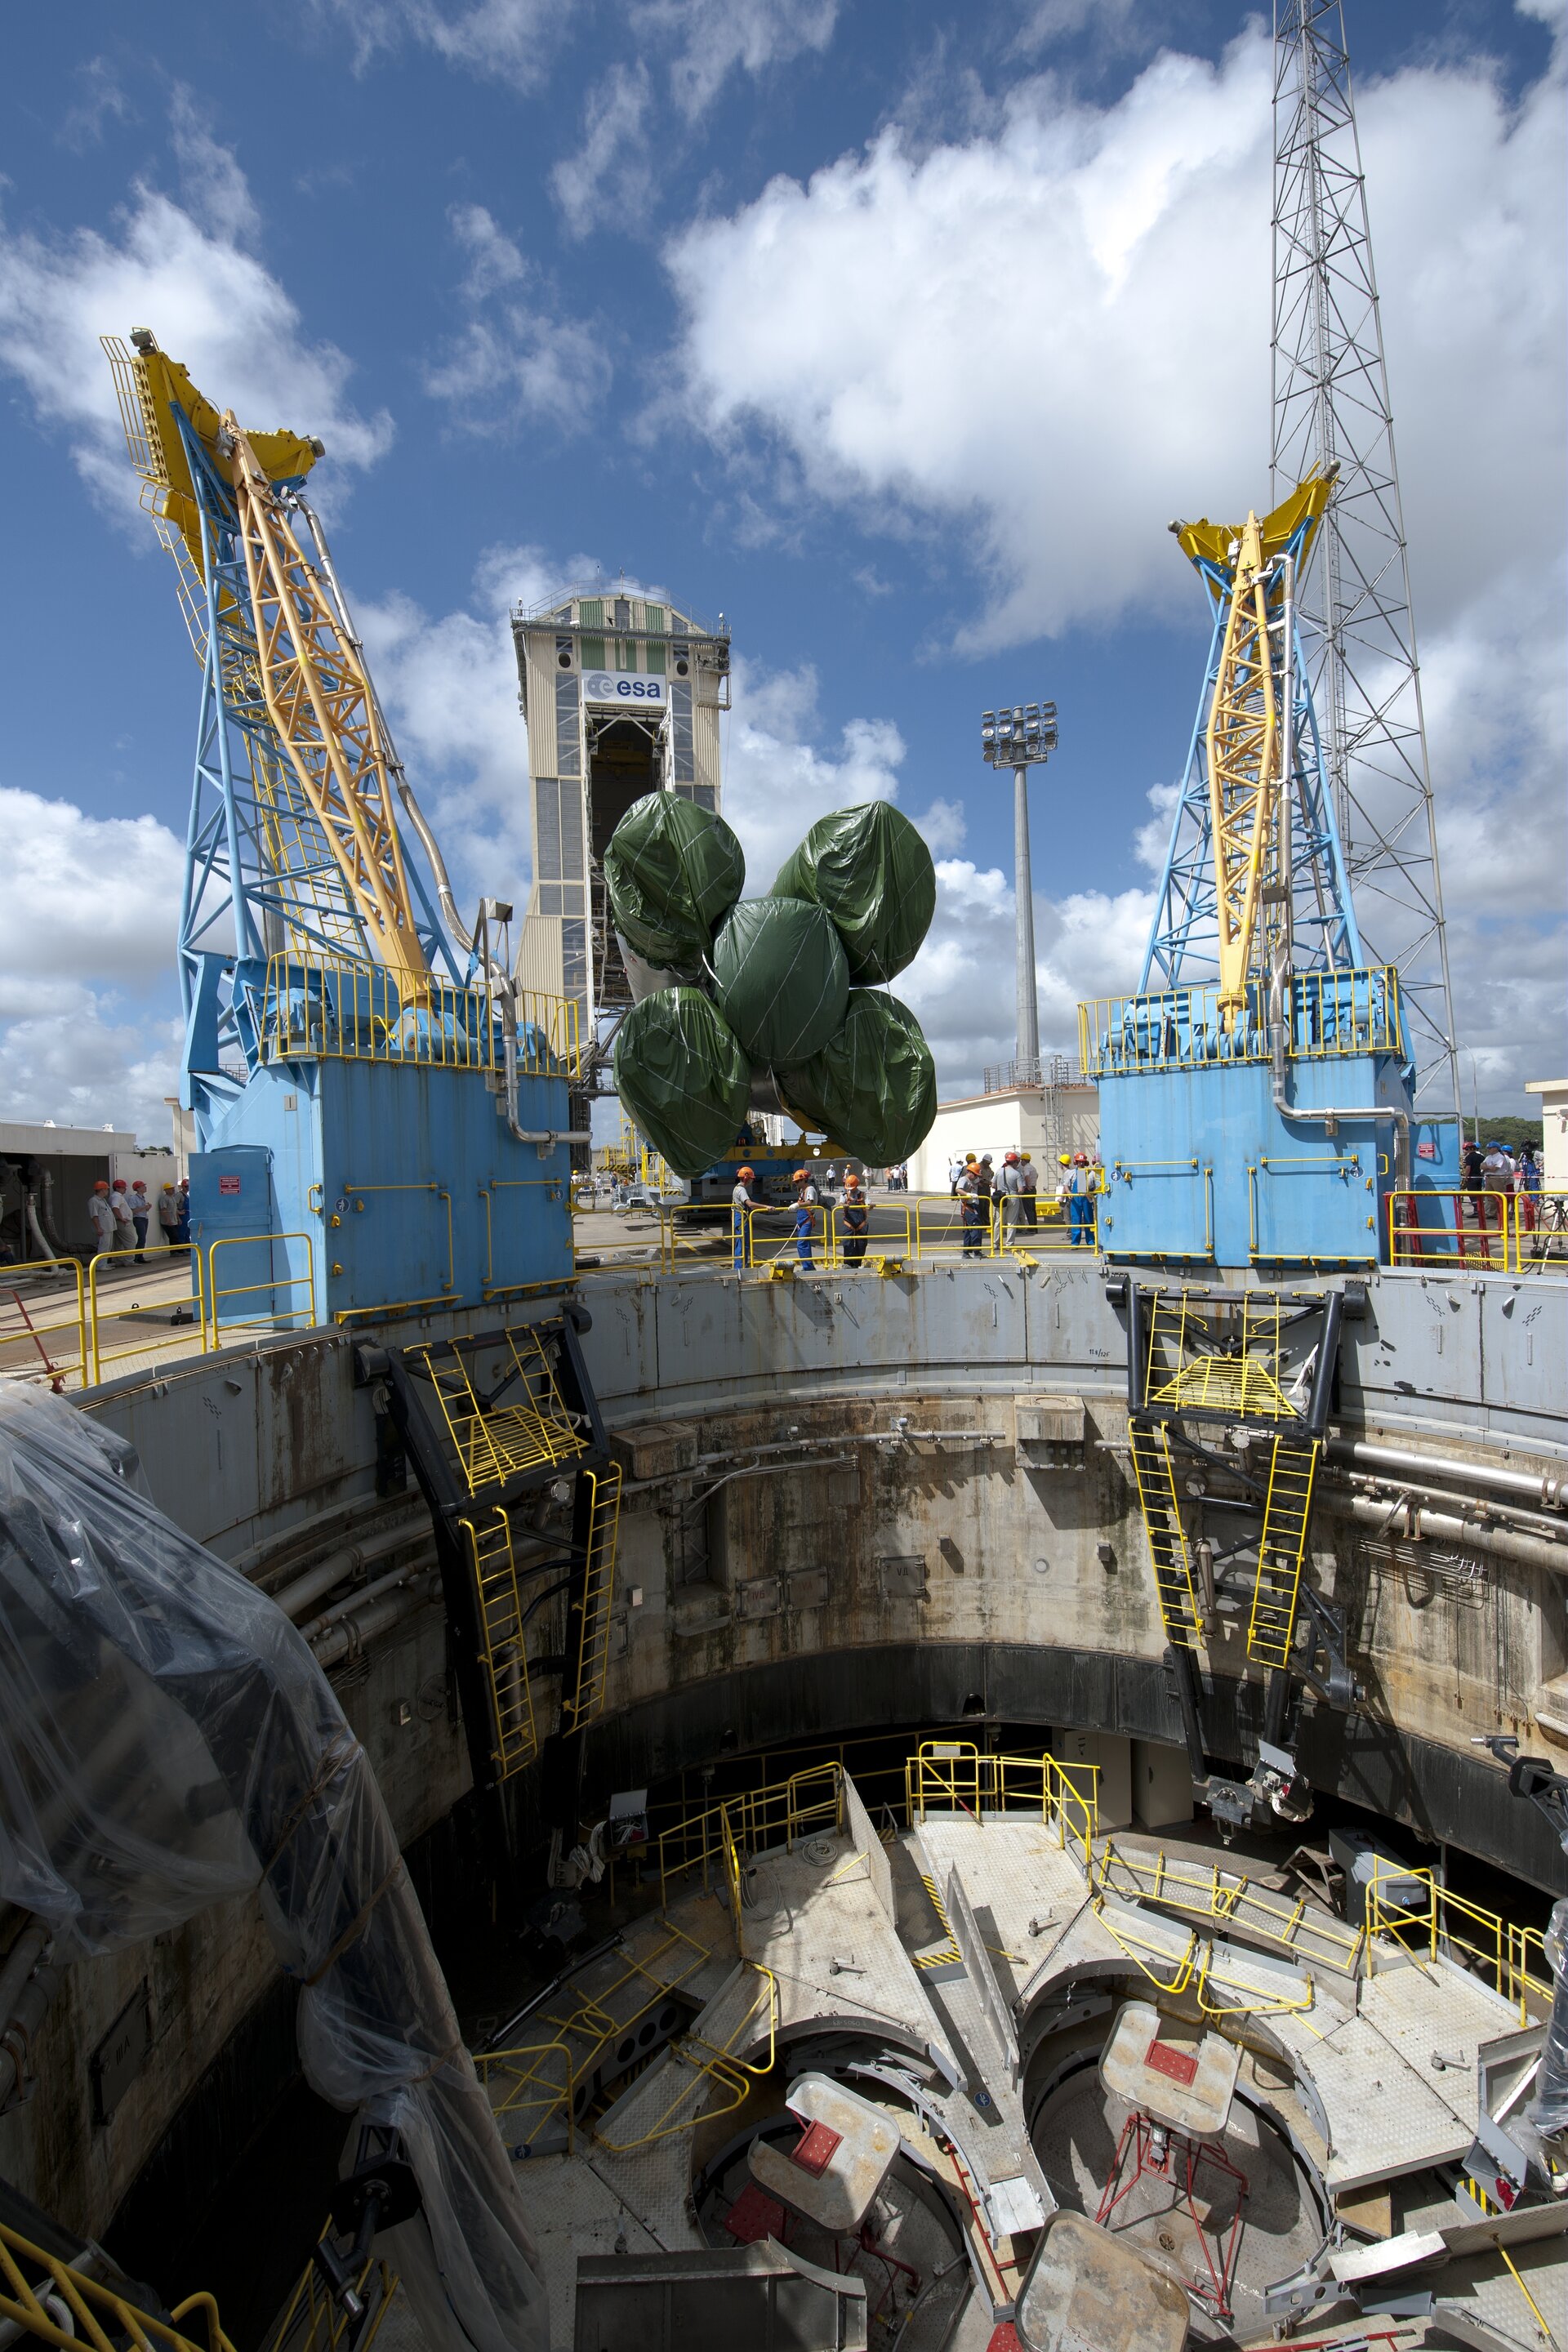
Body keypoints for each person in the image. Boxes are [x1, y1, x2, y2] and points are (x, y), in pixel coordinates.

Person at [1480, 1139, 1516, 1258]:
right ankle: (1493, 1214)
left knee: (1500, 1198)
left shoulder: (1500, 1157)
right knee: (1489, 1198)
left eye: (1490, 1148)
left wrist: (1487, 1167)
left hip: (1498, 1178)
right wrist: (1488, 1167)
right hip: (1489, 1178)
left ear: (1496, 1148)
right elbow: (1482, 1166)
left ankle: (1502, 1216)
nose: (1489, 1149)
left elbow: (1495, 1168)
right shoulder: (1488, 1157)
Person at [1066, 1151, 1097, 1248]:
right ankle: (1075, 1243)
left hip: (1087, 1198)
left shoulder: (1090, 1173)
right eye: (1079, 1162)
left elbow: (1095, 1185)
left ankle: (1091, 1241)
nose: (1081, 1163)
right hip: (1075, 1199)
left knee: (1089, 1219)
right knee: (1076, 1220)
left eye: (1083, 1162)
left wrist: (1092, 1194)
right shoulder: (1070, 1173)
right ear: (1076, 1162)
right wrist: (1069, 1193)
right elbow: (1066, 1185)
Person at [957, 1156, 986, 1257]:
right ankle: (976, 1251)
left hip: (974, 1206)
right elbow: (958, 1189)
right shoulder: (963, 1180)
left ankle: (967, 1251)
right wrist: (967, 1194)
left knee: (970, 1229)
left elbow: (980, 1182)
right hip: (968, 1207)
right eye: (975, 1174)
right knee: (975, 1228)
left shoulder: (974, 1180)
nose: (976, 1177)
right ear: (970, 1172)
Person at [732, 1164, 759, 1270]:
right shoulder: (741, 1190)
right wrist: (767, 1206)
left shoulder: (737, 1188)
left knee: (740, 1243)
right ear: (746, 1178)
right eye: (751, 1179)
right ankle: (740, 1267)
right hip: (742, 1219)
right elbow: (750, 1204)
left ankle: (740, 1266)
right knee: (743, 1244)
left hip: (740, 1218)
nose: (752, 1181)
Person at [840, 1172, 870, 1266]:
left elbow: (868, 1204)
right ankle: (848, 1264)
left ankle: (857, 1263)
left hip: (861, 1224)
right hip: (849, 1223)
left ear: (857, 1185)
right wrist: (844, 1205)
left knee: (861, 1244)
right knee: (847, 1243)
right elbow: (841, 1203)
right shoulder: (844, 1195)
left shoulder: (863, 1195)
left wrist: (869, 1206)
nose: (850, 1190)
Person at [999, 1151, 1027, 1242]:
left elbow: (993, 1185)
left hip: (1000, 1198)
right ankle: (1009, 1243)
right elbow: (1021, 1190)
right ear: (1014, 1162)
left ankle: (996, 1243)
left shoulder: (999, 1172)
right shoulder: (1016, 1174)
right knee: (1011, 1222)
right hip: (1013, 1198)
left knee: (998, 1222)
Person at [791, 1168, 817, 1265]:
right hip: (802, 1220)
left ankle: (808, 1267)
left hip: (807, 1219)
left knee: (801, 1244)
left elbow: (809, 1202)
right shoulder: (803, 1190)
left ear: (803, 1180)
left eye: (798, 1182)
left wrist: (797, 1205)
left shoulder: (809, 1189)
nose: (796, 1184)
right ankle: (807, 1266)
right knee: (804, 1244)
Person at [87, 1178, 117, 1256]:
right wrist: (98, 1228)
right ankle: (101, 1265)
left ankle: (104, 1263)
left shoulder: (103, 1200)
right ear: (102, 1190)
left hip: (108, 1227)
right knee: (103, 1247)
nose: (107, 1191)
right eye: (106, 1189)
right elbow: (94, 1215)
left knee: (108, 1246)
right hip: (103, 1228)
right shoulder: (94, 1201)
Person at [109, 1178, 137, 1256]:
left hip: (120, 1221)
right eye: (123, 1187)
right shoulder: (116, 1197)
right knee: (130, 1241)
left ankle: (119, 1260)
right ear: (117, 1188)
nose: (125, 1189)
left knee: (119, 1243)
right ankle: (129, 1260)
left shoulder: (117, 1196)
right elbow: (115, 1207)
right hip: (122, 1222)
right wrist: (121, 1218)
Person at [128, 1178, 152, 1262]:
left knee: (143, 1238)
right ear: (138, 1188)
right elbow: (132, 1211)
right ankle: (136, 1257)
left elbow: (142, 1210)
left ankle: (140, 1256)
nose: (145, 1187)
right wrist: (144, 1207)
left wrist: (147, 1208)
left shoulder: (143, 1198)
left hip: (144, 1218)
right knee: (142, 1238)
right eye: (143, 1186)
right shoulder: (133, 1198)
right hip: (138, 1219)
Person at [158, 1182, 183, 1254]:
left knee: (175, 1236)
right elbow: (163, 1210)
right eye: (171, 1189)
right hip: (168, 1222)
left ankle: (178, 1251)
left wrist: (178, 1218)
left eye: (173, 1188)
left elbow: (174, 1210)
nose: (173, 1190)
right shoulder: (164, 1199)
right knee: (173, 1237)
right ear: (166, 1190)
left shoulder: (172, 1198)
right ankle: (174, 1252)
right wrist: (168, 1220)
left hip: (174, 1221)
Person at [1018, 1152, 1039, 1229]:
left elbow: (1027, 1176)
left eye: (1021, 1160)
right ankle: (1034, 1226)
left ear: (1024, 1160)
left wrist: (1027, 1185)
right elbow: (1037, 1175)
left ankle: (1031, 1228)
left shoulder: (1026, 1168)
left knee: (1028, 1209)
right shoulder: (1032, 1167)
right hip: (1033, 1188)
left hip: (1028, 1190)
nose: (1021, 1162)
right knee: (1033, 1209)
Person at [176, 1177, 191, 1246]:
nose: (187, 1188)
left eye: (188, 1186)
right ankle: (182, 1249)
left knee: (187, 1233)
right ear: (182, 1187)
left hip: (188, 1215)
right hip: (182, 1217)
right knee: (182, 1233)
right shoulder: (179, 1195)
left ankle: (187, 1248)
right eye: (186, 1186)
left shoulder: (187, 1195)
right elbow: (174, 1207)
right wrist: (178, 1216)